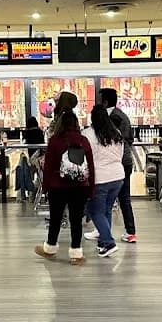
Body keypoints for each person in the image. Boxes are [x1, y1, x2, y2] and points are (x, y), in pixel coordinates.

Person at [34, 109, 94, 266]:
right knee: (76, 220)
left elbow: (48, 166)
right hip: (80, 186)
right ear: (76, 124)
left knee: (55, 218)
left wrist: (46, 187)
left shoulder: (55, 140)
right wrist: (90, 188)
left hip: (58, 187)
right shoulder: (84, 140)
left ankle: (50, 249)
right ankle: (76, 254)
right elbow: (91, 166)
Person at [82, 104, 125, 258]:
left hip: (100, 178)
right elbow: (119, 155)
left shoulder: (87, 134)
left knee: (95, 211)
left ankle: (108, 242)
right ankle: (102, 243)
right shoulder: (116, 132)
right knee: (105, 210)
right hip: (118, 177)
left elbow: (85, 158)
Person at [97, 86, 137, 243]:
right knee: (123, 198)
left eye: (99, 101)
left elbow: (107, 140)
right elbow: (130, 139)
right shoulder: (121, 115)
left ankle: (103, 232)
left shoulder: (112, 117)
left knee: (106, 198)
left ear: (105, 102)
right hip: (123, 161)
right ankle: (129, 232)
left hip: (116, 163)